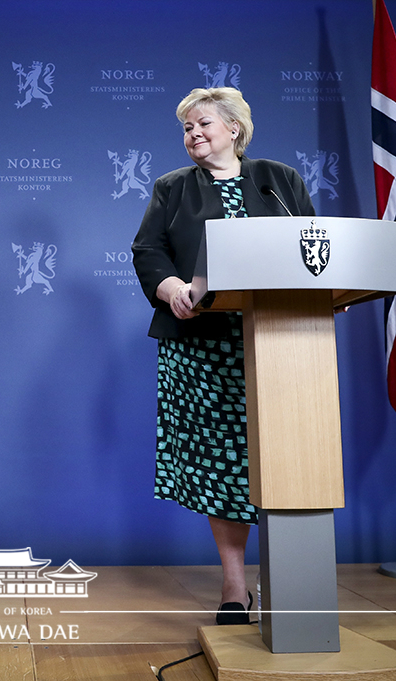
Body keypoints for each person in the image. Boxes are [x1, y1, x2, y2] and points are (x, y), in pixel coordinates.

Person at [131, 87, 314, 625]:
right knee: (221, 463)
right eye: (187, 129)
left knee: (281, 453)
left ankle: (286, 578)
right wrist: (171, 289)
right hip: (202, 345)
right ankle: (235, 584)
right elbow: (148, 251)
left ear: (234, 129)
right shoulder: (172, 189)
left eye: (204, 124)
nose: (194, 135)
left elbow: (312, 244)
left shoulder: (279, 181)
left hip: (278, 339)